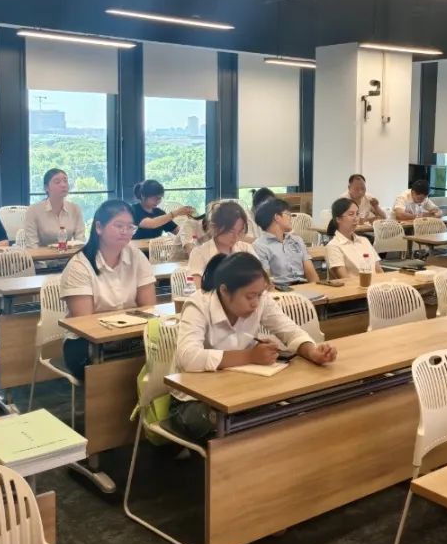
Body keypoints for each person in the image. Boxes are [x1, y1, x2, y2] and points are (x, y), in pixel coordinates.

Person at [169, 253, 337, 439]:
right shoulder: (199, 305)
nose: (256, 303)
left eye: (260, 294)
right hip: (194, 400)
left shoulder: (260, 300)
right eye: (250, 296)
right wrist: (249, 356)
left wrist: (313, 352)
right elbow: (188, 357)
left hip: (241, 391)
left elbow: (290, 331)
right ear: (224, 291)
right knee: (236, 430)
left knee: (282, 421)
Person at [61, 200, 157, 379]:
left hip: (130, 335)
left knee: (165, 350)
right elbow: (85, 324)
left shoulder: (137, 256)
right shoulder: (79, 265)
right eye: (119, 226)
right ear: (99, 227)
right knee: (114, 372)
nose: (125, 232)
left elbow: (148, 308)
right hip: (86, 342)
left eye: (130, 227)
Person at [252, 199, 319, 285]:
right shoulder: (259, 246)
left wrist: (318, 290)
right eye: (288, 214)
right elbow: (266, 281)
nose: (291, 218)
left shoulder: (297, 240)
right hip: (280, 289)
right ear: (277, 217)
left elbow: (311, 273)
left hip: (303, 287)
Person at [187, 201, 256, 278]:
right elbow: (196, 284)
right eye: (231, 231)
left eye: (239, 232)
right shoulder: (199, 253)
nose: (236, 237)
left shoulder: (246, 249)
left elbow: (261, 278)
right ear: (215, 227)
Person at [21, 168, 86, 247]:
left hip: (69, 254)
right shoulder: (33, 210)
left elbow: (80, 241)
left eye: (65, 181)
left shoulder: (75, 209)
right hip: (42, 255)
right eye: (57, 182)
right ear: (46, 188)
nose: (63, 185)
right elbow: (32, 246)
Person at [326, 197, 382, 279]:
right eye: (351, 214)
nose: (356, 218)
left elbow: (379, 271)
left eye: (357, 214)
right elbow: (345, 280)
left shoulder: (364, 241)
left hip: (376, 285)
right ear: (338, 219)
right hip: (356, 286)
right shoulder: (333, 246)